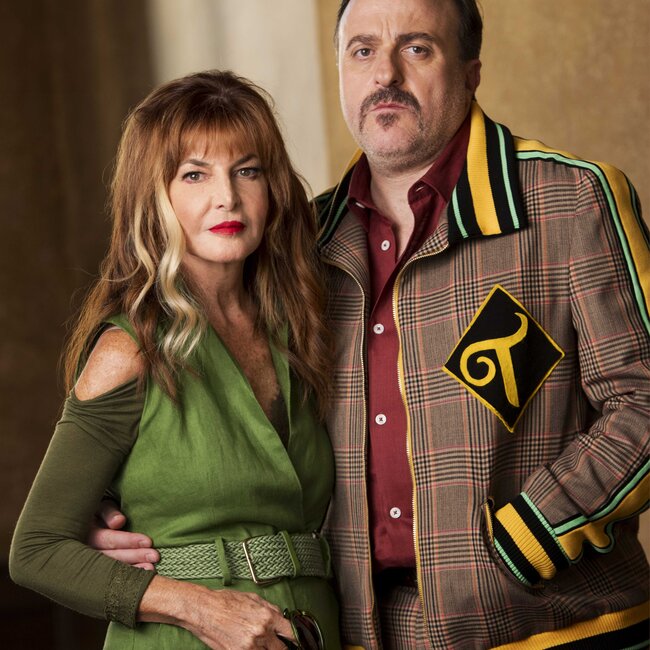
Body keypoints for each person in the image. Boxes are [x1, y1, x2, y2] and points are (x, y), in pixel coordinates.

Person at [89, 0, 650, 648]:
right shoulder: (300, 244)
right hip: (361, 634)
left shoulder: (569, 200)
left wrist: (533, 534)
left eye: (417, 48)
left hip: (559, 630)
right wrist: (118, 504)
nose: (385, 74)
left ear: (470, 71)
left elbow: (641, 403)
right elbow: (225, 413)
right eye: (362, 51)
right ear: (340, 72)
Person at [9, 69, 341, 650]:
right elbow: (36, 549)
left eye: (248, 170)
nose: (227, 197)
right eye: (194, 174)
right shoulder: (130, 348)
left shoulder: (301, 329)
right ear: (153, 196)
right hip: (183, 637)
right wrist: (200, 608)